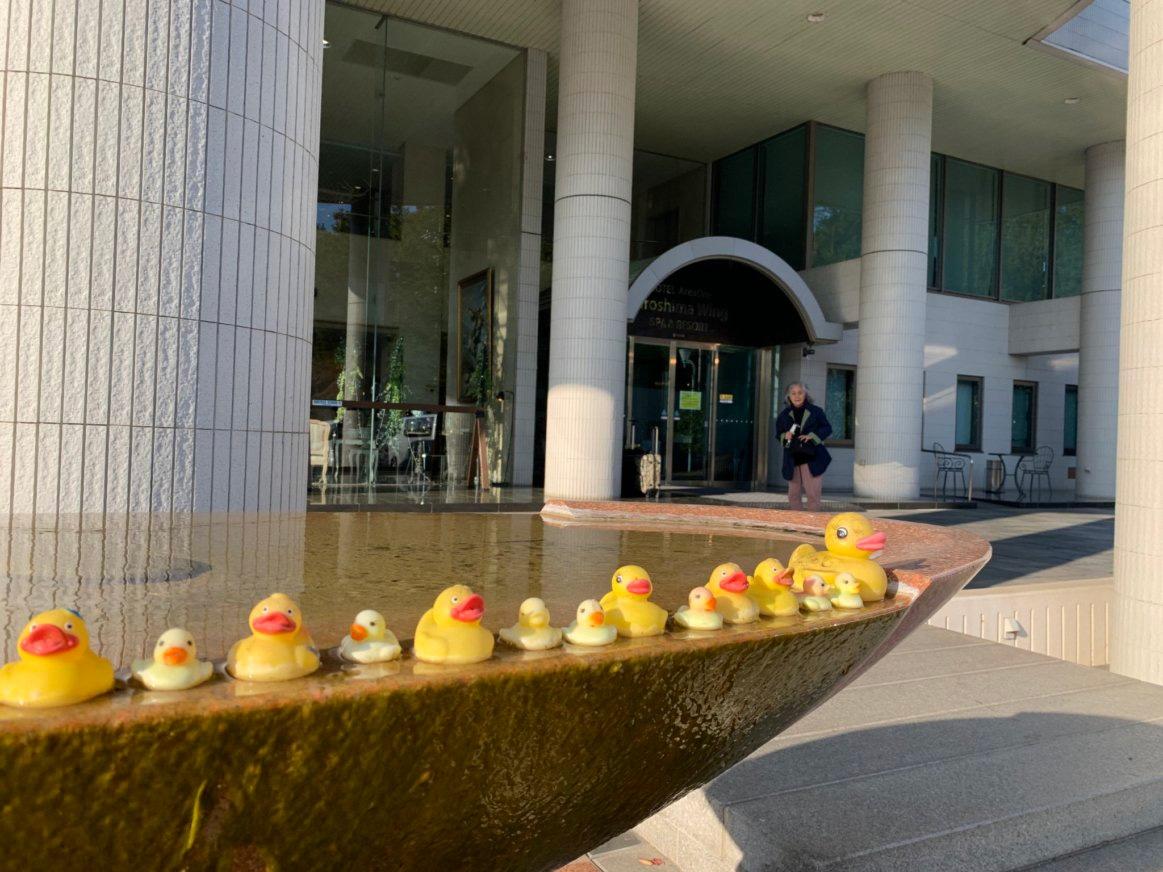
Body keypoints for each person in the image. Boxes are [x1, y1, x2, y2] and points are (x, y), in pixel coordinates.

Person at [775, 382, 832, 512]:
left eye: (800, 393)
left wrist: (813, 436)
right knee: (793, 495)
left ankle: (812, 521)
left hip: (811, 458)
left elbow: (827, 428)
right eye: (793, 393)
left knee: (813, 495)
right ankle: (798, 522)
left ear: (805, 394)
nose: (797, 396)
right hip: (792, 459)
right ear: (788, 397)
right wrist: (785, 436)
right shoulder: (784, 415)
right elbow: (778, 434)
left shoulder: (816, 411)